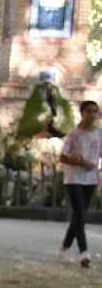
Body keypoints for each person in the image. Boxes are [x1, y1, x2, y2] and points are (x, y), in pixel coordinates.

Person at [56, 99, 99, 267]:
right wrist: (80, 162)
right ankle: (84, 252)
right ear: (82, 113)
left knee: (78, 215)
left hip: (91, 178)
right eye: (89, 111)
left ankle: (64, 247)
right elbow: (63, 156)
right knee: (80, 214)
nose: (92, 114)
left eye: (95, 111)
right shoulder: (74, 134)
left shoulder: (99, 134)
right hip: (74, 178)